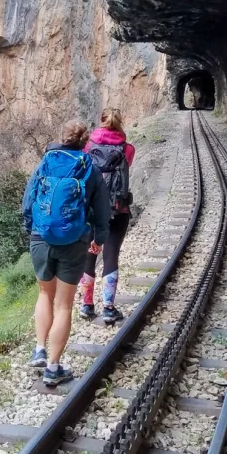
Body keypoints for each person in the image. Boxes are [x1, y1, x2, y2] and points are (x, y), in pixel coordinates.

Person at [22, 120, 111, 386]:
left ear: (62, 138)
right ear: (85, 141)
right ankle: (53, 367)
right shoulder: (89, 168)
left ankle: (39, 349)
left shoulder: (46, 162)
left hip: (41, 236)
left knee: (44, 294)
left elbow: (28, 201)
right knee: (63, 305)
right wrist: (99, 239)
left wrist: (32, 228)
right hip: (74, 240)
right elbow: (102, 210)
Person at [78, 108, 136, 324]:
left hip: (91, 212)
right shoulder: (127, 149)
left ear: (100, 122)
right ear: (120, 123)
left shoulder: (87, 147)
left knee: (89, 255)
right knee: (111, 256)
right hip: (117, 211)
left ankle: (86, 305)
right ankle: (108, 308)